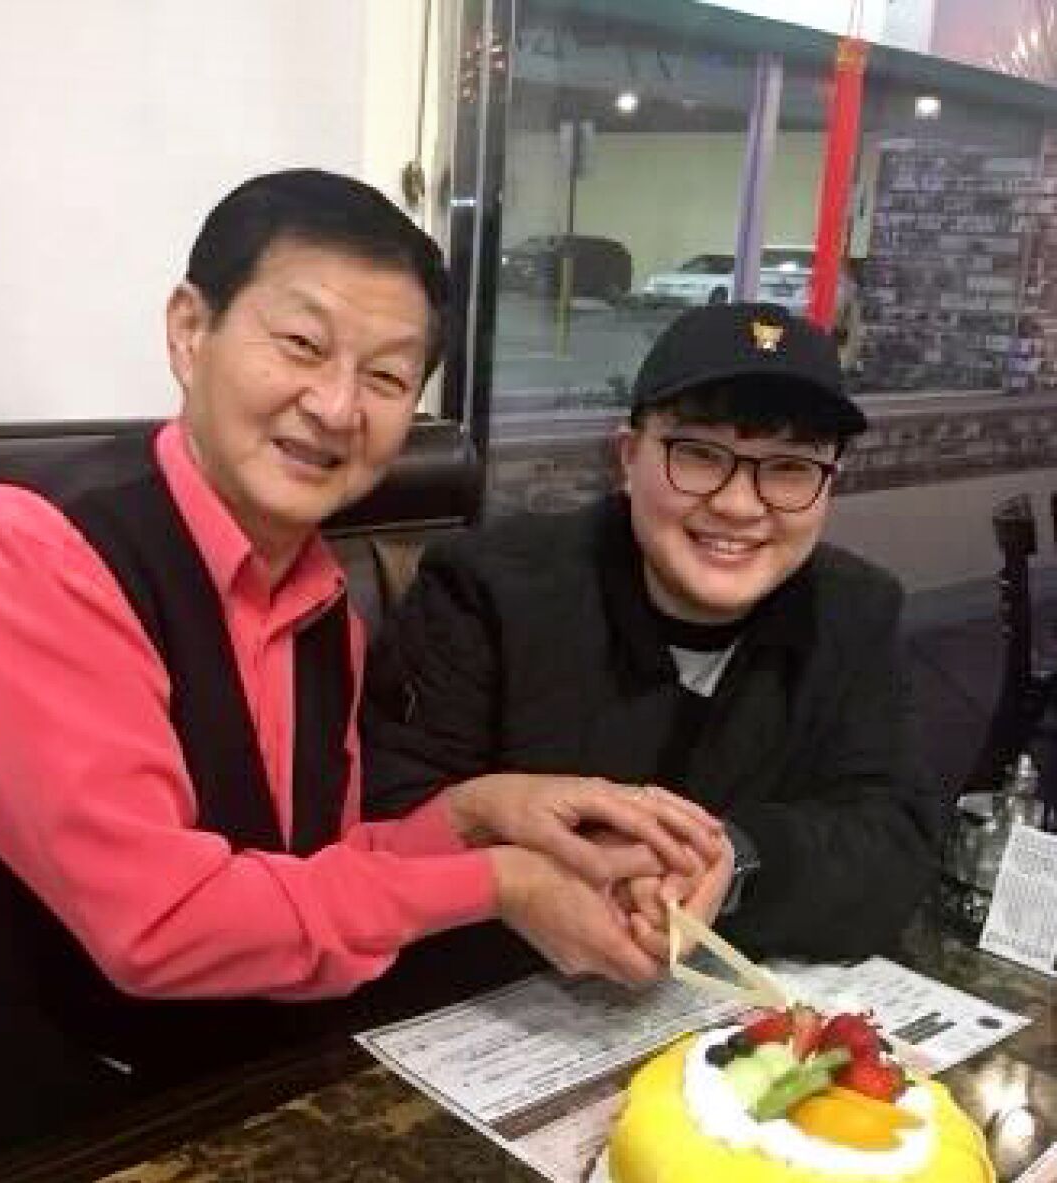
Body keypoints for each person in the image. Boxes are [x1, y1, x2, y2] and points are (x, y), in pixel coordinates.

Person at [0, 171, 724, 1183]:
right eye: (302, 345)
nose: (335, 405)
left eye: (389, 376)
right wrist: (496, 884)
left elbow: (307, 871)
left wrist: (491, 817)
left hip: (190, 1112)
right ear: (191, 330)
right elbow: (160, 919)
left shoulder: (317, 600)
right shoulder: (36, 553)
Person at [363, 301, 941, 963]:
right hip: (500, 1007)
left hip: (723, 1023)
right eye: (698, 454)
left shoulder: (856, 609)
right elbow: (390, 823)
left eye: (789, 467)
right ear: (629, 456)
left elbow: (897, 838)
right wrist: (523, 883)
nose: (737, 504)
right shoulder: (485, 591)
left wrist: (739, 861)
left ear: (829, 483)